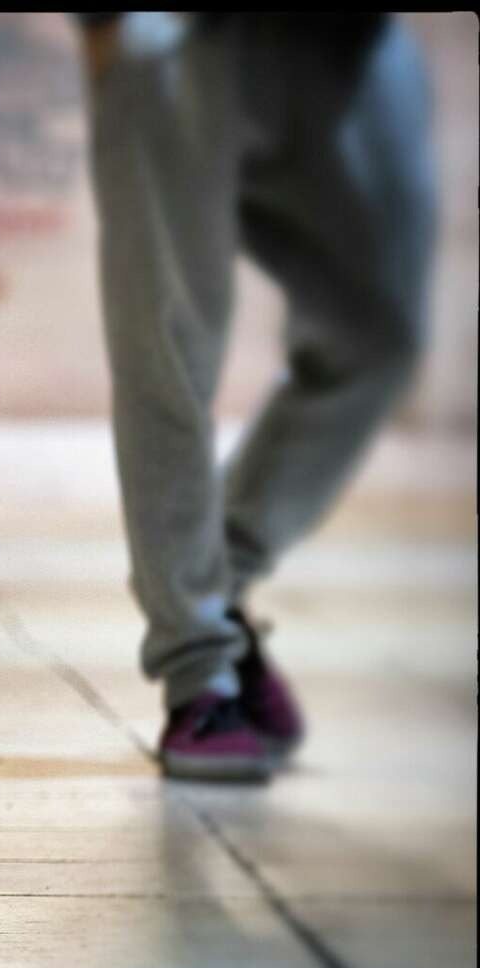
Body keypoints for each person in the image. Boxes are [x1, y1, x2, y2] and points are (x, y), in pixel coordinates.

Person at [79, 12, 437, 781]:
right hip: (171, 29)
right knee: (169, 343)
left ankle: (221, 587)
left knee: (380, 333)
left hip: (350, 42)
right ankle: (199, 671)